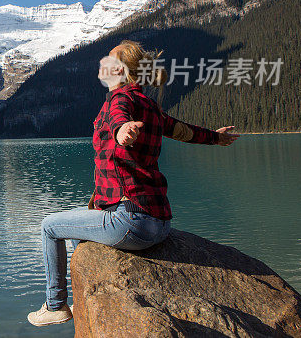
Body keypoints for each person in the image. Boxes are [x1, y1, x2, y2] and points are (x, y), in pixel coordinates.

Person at [27, 40, 240, 326]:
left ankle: (55, 305)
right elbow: (183, 131)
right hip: (160, 224)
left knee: (49, 226)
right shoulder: (150, 105)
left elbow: (119, 119)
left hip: (132, 222)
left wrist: (121, 131)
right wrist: (215, 137)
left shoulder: (120, 99)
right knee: (81, 226)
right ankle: (82, 296)